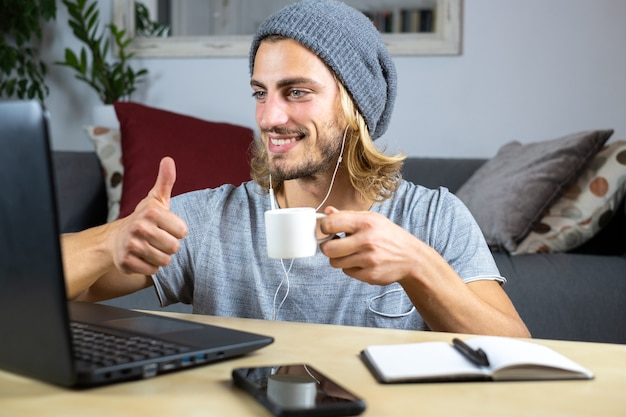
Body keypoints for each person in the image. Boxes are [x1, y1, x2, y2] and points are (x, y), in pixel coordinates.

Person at [63, 0, 529, 337]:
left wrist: (417, 266)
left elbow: (516, 350)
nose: (268, 117)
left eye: (296, 92)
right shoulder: (211, 220)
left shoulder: (433, 218)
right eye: (260, 92)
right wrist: (110, 240)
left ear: (353, 107)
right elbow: (33, 287)